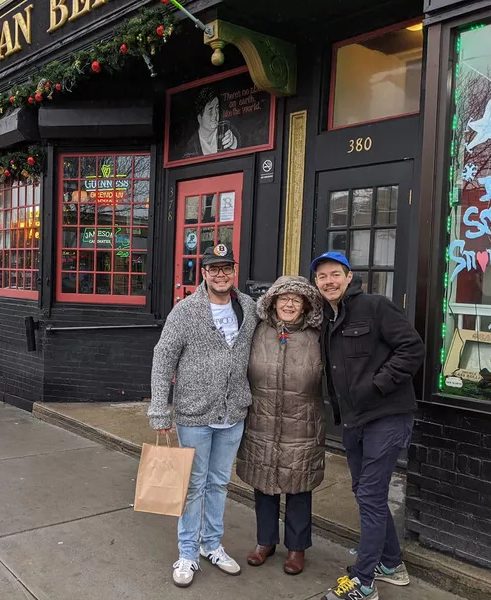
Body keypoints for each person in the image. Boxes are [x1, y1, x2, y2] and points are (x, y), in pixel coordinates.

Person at [311, 252, 425, 600]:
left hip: (387, 417)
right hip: (354, 421)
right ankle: (391, 565)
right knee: (365, 494)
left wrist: (379, 384)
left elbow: (412, 348)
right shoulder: (328, 320)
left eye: (335, 275)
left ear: (349, 277)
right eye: (321, 277)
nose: (328, 281)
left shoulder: (375, 307)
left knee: (372, 497)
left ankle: (363, 584)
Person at [147, 243, 258, 588]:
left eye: (226, 268)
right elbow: (163, 357)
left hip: (233, 412)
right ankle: (187, 553)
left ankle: (212, 544)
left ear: (233, 271)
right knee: (193, 485)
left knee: (219, 483)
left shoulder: (249, 307)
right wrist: (158, 409)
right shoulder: (186, 311)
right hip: (194, 412)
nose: (221, 274)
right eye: (214, 269)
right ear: (204, 273)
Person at [236, 275, 325, 576]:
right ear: (272, 302)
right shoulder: (258, 331)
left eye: (296, 299)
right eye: (283, 298)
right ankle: (265, 542)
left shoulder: (317, 335)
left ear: (305, 305)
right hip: (262, 418)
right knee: (264, 484)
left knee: (298, 487)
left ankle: (297, 548)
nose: (289, 304)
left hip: (302, 423)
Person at [183, 86, 238, 159]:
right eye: (210, 110)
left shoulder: (227, 130)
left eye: (217, 108)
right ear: (200, 118)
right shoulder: (190, 145)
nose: (215, 114)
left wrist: (234, 142)